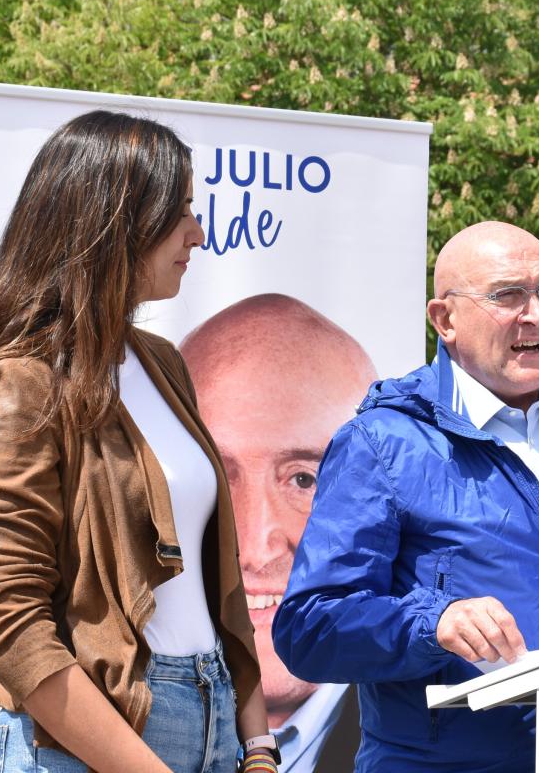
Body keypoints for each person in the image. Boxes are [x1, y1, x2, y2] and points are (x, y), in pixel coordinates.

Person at [0, 110, 281, 773]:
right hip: (87, 745)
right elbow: (13, 627)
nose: (198, 235)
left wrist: (257, 746)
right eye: (178, 214)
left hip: (217, 726)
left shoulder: (163, 363)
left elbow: (213, 585)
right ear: (112, 223)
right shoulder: (14, 385)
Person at [272, 221, 539, 773]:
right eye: (508, 295)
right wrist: (434, 623)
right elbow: (309, 628)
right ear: (444, 319)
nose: (536, 313)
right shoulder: (383, 443)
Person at [179, 295, 371, 772]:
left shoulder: (459, 743)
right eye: (217, 481)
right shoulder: (47, 756)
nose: (256, 546)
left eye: (305, 479)